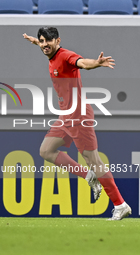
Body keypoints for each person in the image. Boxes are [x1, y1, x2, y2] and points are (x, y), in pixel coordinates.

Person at [23, 27, 131, 220]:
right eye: (41, 41)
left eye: (48, 41)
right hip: (66, 115)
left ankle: (120, 205)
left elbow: (82, 63)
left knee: (94, 161)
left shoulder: (66, 56)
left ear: (58, 40)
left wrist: (96, 63)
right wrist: (35, 42)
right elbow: (44, 46)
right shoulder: (51, 53)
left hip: (79, 116)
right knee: (46, 151)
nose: (44, 44)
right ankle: (88, 176)